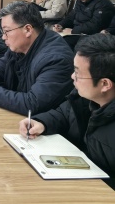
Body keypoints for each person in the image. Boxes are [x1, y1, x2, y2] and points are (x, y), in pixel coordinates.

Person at [19, 34, 115, 189]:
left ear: (105, 84)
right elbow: (63, 114)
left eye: (78, 73)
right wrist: (42, 123)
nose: (72, 76)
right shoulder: (84, 97)